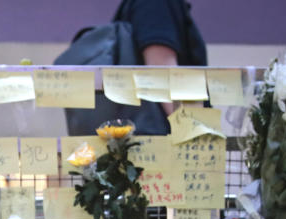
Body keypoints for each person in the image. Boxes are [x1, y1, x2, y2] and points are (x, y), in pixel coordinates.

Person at [62, 0, 207, 135]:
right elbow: (162, 69)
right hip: (161, 142)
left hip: (140, 142)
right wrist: (196, 137)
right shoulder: (156, 4)